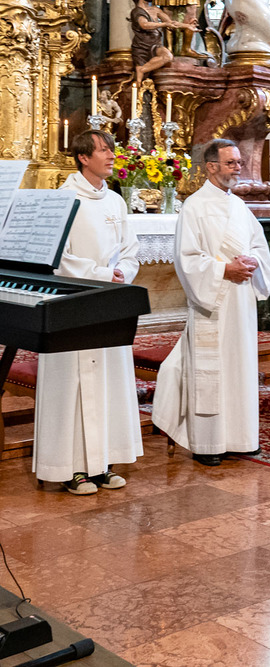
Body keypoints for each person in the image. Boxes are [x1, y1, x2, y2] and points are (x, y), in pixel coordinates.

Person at [152, 139, 270, 466]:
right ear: (211, 167)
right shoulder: (194, 206)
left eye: (239, 162)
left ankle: (241, 437)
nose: (238, 168)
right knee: (211, 371)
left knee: (240, 368)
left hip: (241, 301)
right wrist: (224, 269)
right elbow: (187, 259)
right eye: (231, 163)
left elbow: (259, 247)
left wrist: (253, 262)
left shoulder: (240, 207)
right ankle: (208, 444)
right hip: (213, 303)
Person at [34, 130, 143, 495]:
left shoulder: (115, 201)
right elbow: (58, 257)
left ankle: (102, 464)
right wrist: (101, 275)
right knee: (72, 387)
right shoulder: (63, 200)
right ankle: (70, 468)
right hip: (72, 304)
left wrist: (122, 272)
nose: (111, 155)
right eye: (103, 150)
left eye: (112, 149)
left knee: (107, 383)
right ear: (83, 157)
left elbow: (130, 248)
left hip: (109, 304)